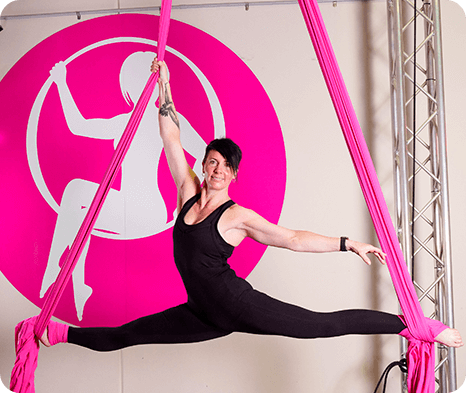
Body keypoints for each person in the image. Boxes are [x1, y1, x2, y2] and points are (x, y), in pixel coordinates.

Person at [40, 58, 463, 352]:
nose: (218, 171)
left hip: (238, 304)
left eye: (227, 167)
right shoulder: (187, 191)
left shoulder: (236, 216)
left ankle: (419, 327)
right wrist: (164, 85)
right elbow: (170, 136)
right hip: (201, 314)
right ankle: (55, 334)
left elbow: (292, 239)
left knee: (321, 325)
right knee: (126, 335)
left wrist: (347, 243)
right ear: (203, 165)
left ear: (234, 175)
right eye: (213, 162)